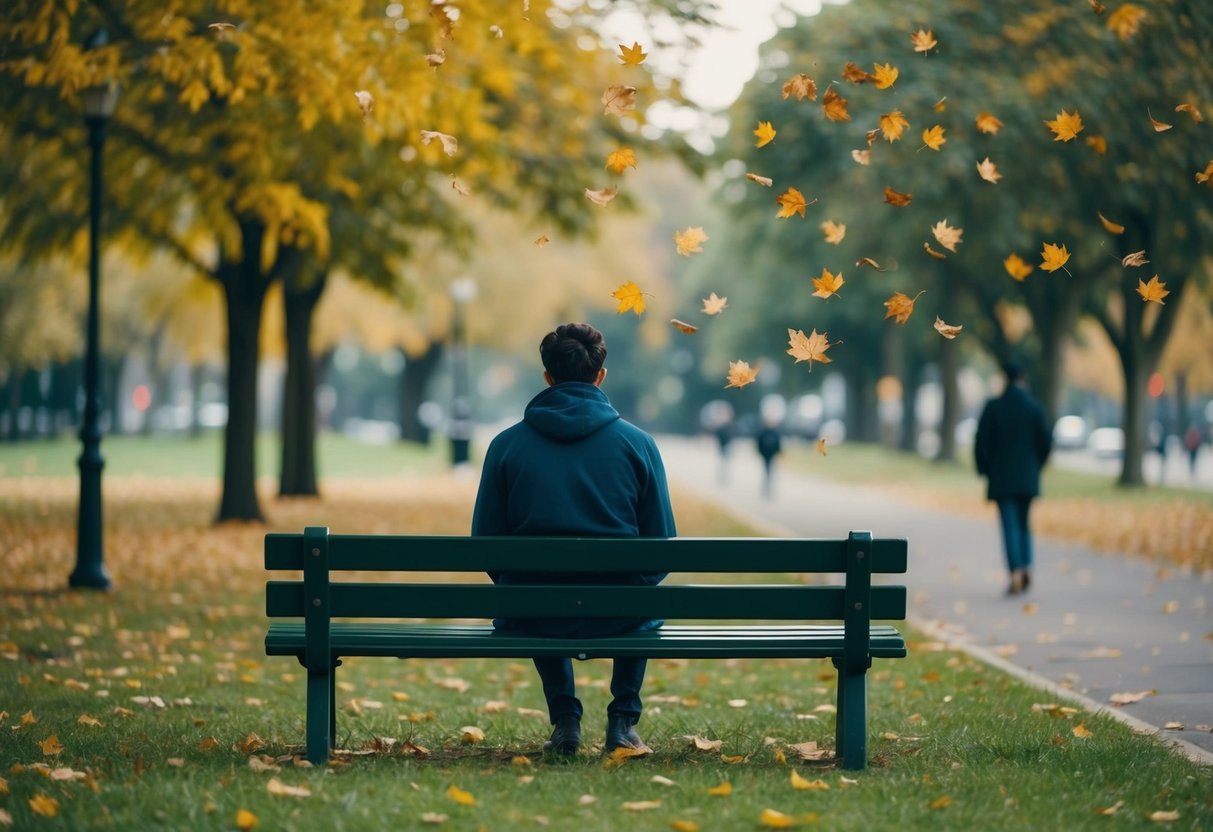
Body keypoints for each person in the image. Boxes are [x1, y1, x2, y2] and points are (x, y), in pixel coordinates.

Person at [471, 323, 676, 756]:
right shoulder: (639, 445)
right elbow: (660, 552)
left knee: (533, 592)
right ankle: (622, 720)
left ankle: (566, 718)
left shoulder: (505, 446)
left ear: (547, 377)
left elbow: (486, 547)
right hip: (620, 612)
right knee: (644, 600)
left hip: (533, 610)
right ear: (600, 376)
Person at [974, 359, 1052, 595]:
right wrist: (1037, 465)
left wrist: (985, 469)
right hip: (1028, 476)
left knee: (1009, 525)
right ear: (1022, 379)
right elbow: (1046, 441)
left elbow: (981, 443)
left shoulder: (994, 406)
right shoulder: (1034, 407)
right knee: (1024, 524)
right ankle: (1027, 565)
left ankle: (1015, 571)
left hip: (1002, 477)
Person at [756, 417, 782, 499]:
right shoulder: (763, 432)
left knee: (772, 473)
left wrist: (778, 452)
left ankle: (770, 489)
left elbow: (778, 444)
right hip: (765, 455)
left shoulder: (775, 433)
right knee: (766, 472)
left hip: (772, 455)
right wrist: (761, 452)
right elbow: (759, 443)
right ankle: (765, 489)